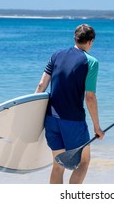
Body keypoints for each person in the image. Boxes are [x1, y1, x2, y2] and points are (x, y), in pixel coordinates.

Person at [35, 24, 105, 184]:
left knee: (58, 165)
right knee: (83, 162)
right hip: (73, 122)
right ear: (91, 41)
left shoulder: (56, 55)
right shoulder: (91, 62)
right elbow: (90, 97)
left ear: (75, 38)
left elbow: (41, 85)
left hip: (51, 120)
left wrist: (32, 116)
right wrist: (97, 127)